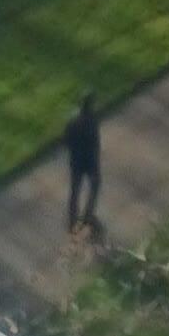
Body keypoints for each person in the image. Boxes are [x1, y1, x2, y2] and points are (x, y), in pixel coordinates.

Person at [64, 94, 102, 236]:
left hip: (76, 161)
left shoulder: (73, 122)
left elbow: (66, 140)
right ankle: (88, 214)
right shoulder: (92, 121)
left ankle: (73, 220)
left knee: (75, 190)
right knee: (95, 185)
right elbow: (95, 143)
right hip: (90, 161)